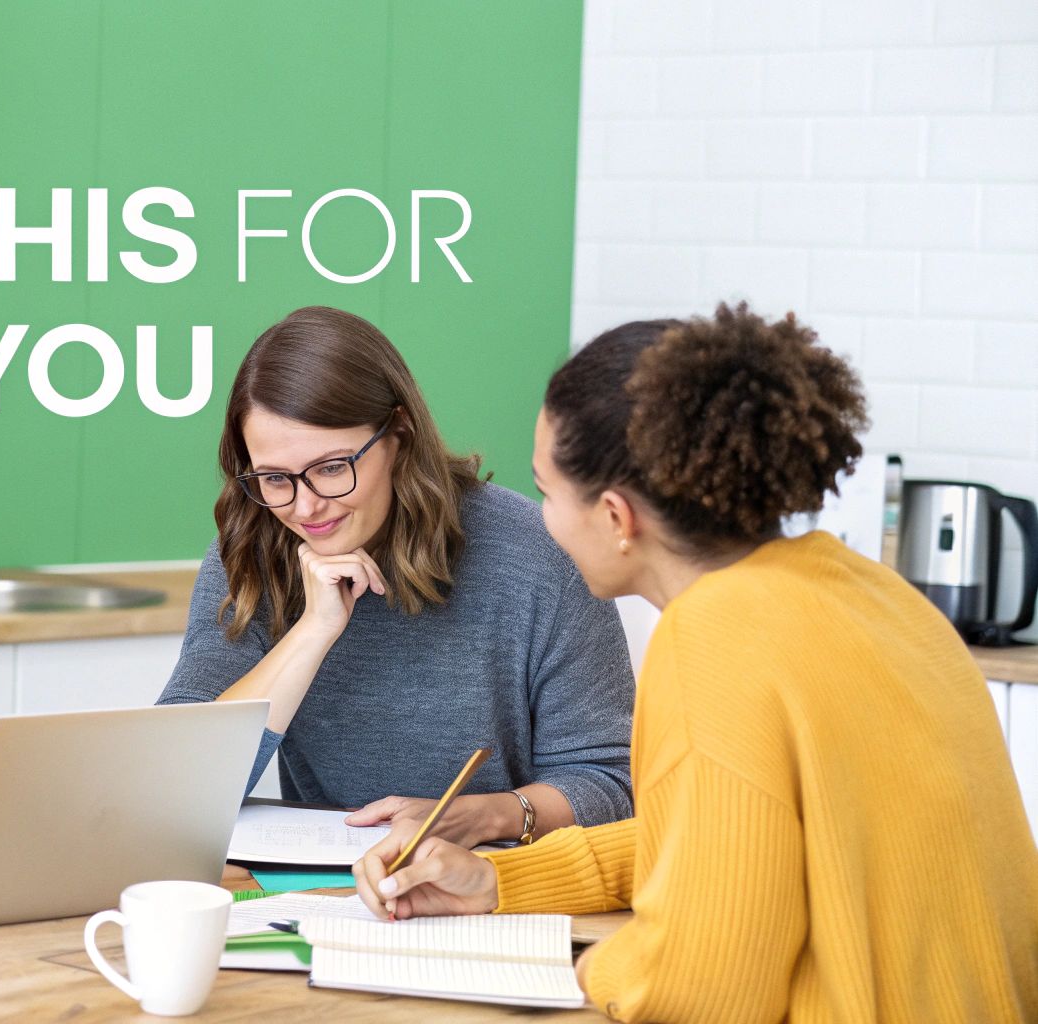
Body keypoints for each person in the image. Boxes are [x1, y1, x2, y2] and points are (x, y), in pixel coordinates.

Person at [355, 304, 1038, 1022]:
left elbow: (698, 992)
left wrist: (586, 970)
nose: (543, 517)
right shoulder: (869, 591)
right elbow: (714, 839)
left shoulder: (714, 636)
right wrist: (499, 880)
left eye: (548, 490)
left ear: (617, 518)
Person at [157, 306, 636, 847]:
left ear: (399, 434)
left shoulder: (538, 555)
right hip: (323, 894)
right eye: (274, 478)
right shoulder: (248, 551)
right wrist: (312, 631)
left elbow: (610, 784)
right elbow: (175, 784)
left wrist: (484, 816)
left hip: (499, 889)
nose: (307, 506)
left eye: (333, 467)